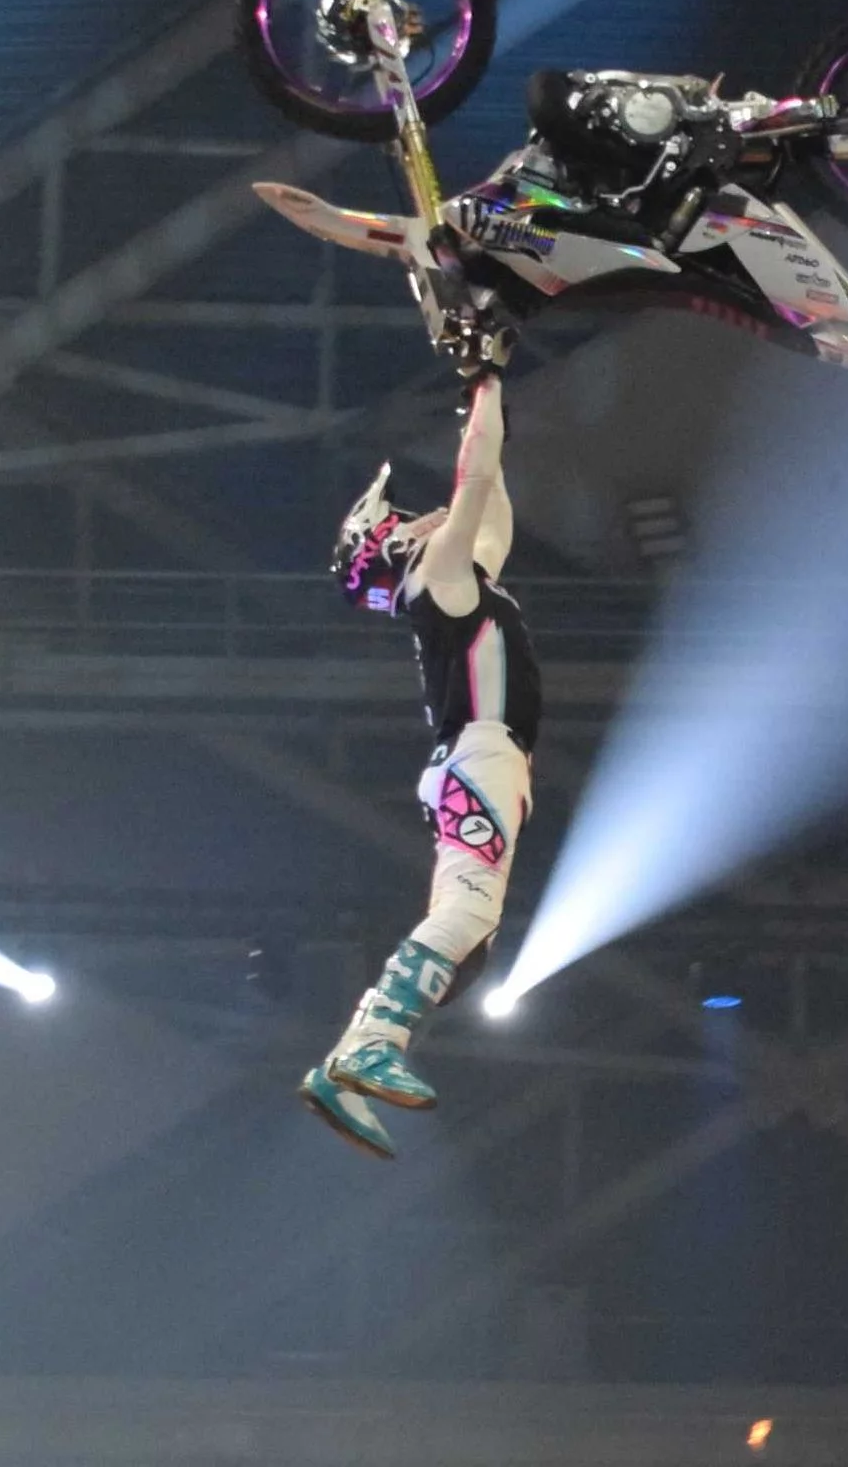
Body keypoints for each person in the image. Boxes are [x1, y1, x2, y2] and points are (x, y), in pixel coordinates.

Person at [300, 363, 538, 1160]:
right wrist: (487, 381)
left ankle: (349, 1061)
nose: (426, 514)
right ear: (392, 543)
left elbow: (490, 498)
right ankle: (370, 1042)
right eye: (406, 516)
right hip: (480, 754)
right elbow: (476, 481)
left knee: (472, 934)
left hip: (475, 759)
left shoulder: (452, 583)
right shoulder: (438, 577)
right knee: (468, 919)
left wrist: (482, 395)